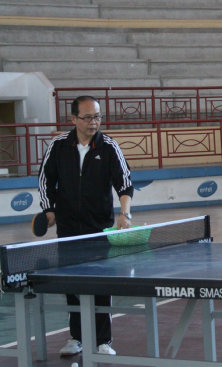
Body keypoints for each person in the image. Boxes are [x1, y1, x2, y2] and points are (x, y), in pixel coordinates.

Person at [38, 95, 134, 356]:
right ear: (73, 119)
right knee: (72, 284)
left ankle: (103, 340)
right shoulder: (58, 146)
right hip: (68, 229)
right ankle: (77, 337)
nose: (94, 122)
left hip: (99, 228)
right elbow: (45, 182)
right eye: (88, 117)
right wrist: (49, 210)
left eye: (98, 117)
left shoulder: (109, 146)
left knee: (101, 283)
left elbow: (124, 184)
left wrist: (124, 214)